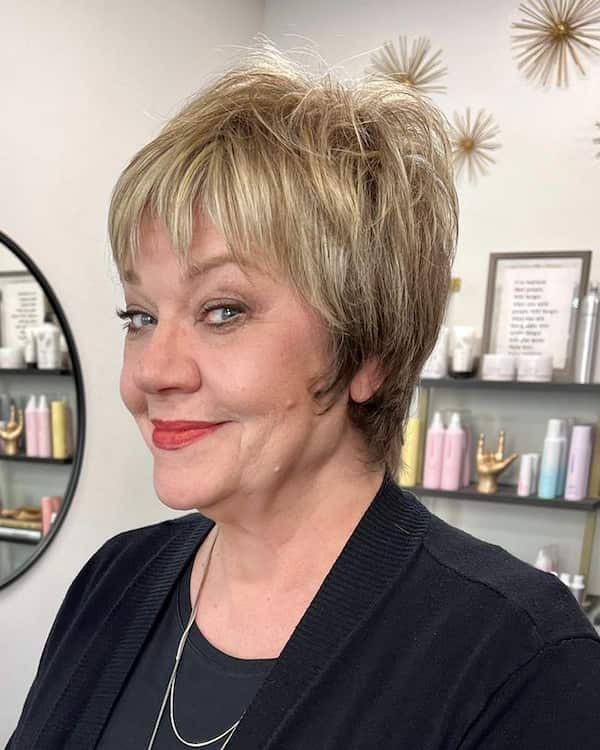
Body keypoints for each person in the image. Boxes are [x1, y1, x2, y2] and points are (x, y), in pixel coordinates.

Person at [8, 38, 600, 750]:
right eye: (139, 317)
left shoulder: (518, 662)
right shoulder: (113, 582)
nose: (152, 372)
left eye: (223, 310)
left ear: (368, 351)